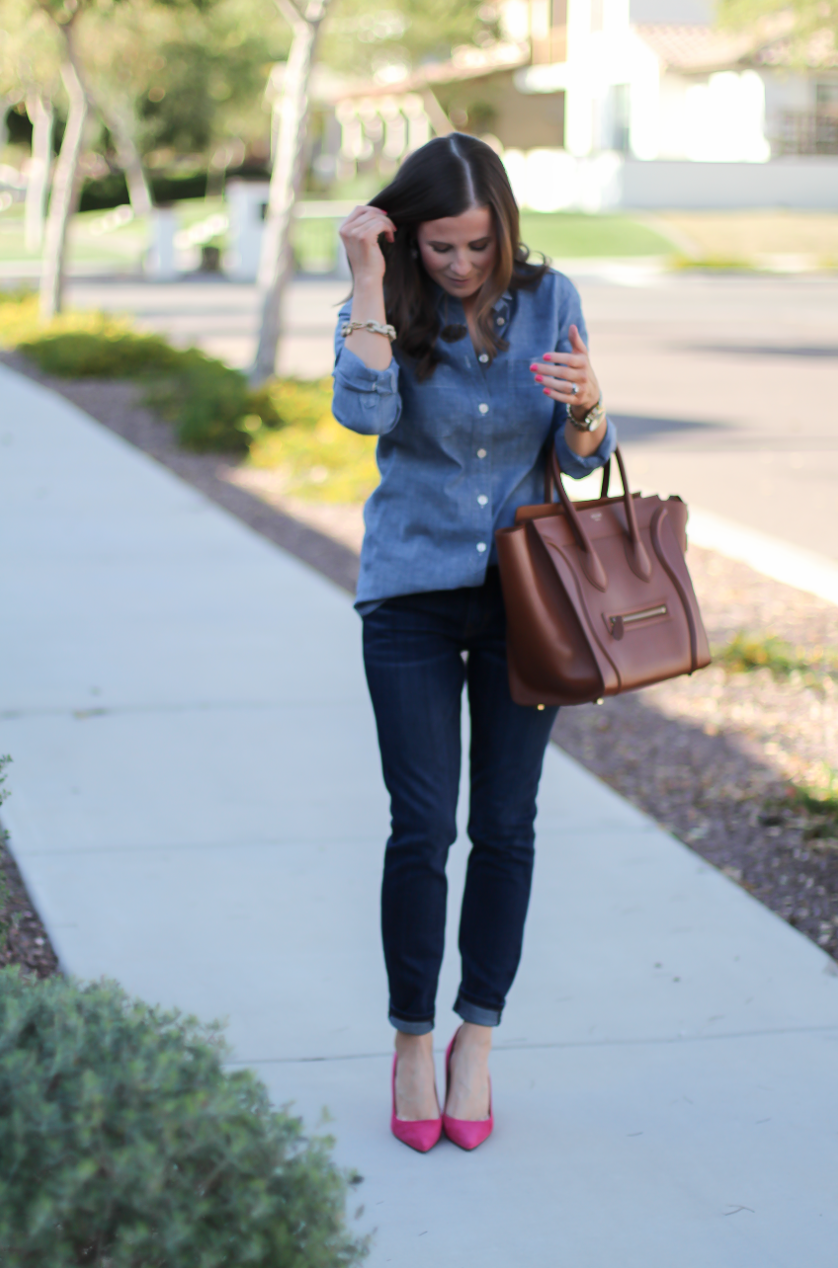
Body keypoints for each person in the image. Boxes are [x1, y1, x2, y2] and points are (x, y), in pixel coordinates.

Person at [332, 134, 616, 1152]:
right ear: (410, 236)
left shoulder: (551, 296)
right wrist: (369, 273)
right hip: (408, 597)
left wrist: (586, 405)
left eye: (477, 244)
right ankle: (412, 1036)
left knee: (504, 823)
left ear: (504, 225)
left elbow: (582, 462)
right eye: (439, 246)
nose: (458, 265)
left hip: (523, 603)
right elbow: (361, 411)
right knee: (420, 826)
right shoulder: (390, 296)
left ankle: (476, 1037)